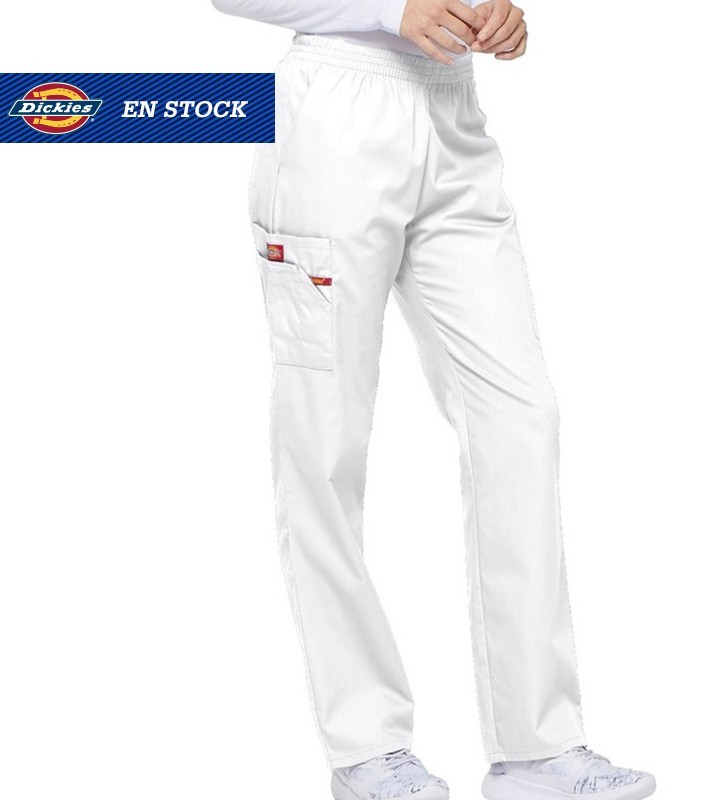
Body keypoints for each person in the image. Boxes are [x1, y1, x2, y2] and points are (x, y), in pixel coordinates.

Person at [211, 1, 657, 799]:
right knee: (327, 439)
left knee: (521, 417)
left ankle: (535, 750)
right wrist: (392, 10)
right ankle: (366, 747)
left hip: (454, 112)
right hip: (335, 114)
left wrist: (496, 15)